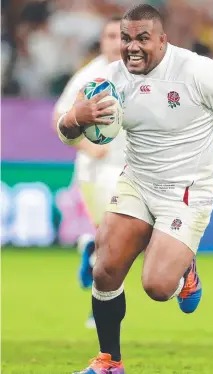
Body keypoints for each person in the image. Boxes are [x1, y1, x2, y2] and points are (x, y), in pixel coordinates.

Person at [56, 5, 213, 373]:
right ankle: (109, 361)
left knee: (158, 286)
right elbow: (68, 132)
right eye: (127, 38)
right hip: (137, 181)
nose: (132, 47)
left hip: (187, 191)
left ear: (163, 40)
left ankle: (184, 266)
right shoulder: (110, 80)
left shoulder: (197, 71)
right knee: (105, 269)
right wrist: (73, 119)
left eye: (143, 39)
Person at [52, 16, 124, 329]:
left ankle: (89, 248)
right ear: (101, 41)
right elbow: (60, 115)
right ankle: (100, 309)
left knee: (114, 241)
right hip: (96, 171)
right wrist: (85, 144)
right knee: (112, 241)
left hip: (128, 167)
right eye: (109, 36)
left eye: (120, 36)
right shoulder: (90, 75)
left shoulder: (137, 74)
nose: (115, 42)